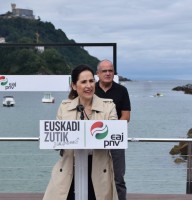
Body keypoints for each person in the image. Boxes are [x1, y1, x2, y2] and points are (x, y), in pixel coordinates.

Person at [43, 64, 118, 200]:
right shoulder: (64, 107)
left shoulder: (108, 107)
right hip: (69, 168)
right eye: (83, 82)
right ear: (74, 85)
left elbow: (113, 135)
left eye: (91, 81)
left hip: (99, 169)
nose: (88, 85)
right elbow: (57, 140)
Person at [95, 59, 131, 200]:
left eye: (110, 70)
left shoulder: (122, 90)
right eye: (104, 71)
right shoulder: (91, 90)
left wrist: (110, 130)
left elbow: (126, 116)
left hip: (116, 139)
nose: (108, 73)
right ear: (98, 73)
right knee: (95, 175)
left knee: (119, 177)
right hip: (95, 139)